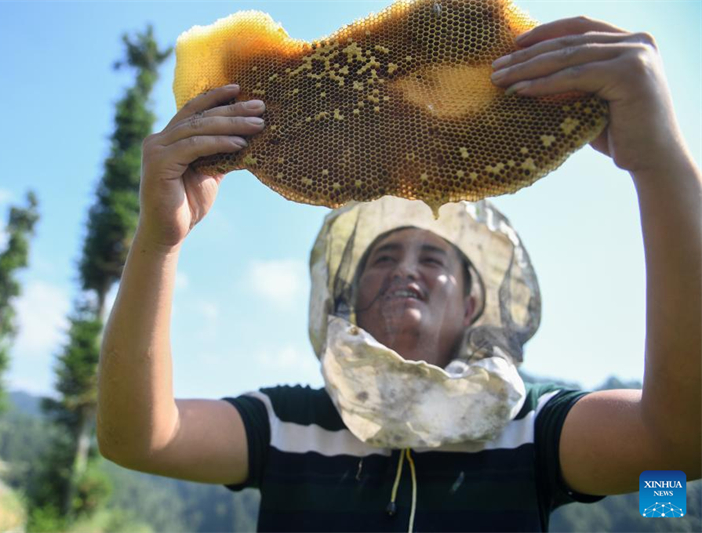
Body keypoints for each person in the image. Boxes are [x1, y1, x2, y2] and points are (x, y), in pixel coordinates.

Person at [96, 16, 701, 532]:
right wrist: (160, 239)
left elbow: (680, 444)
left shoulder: (533, 429)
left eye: (434, 259)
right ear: (345, 295)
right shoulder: (288, 427)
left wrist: (659, 158)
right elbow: (138, 438)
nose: (405, 269)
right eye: (382, 256)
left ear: (474, 304)